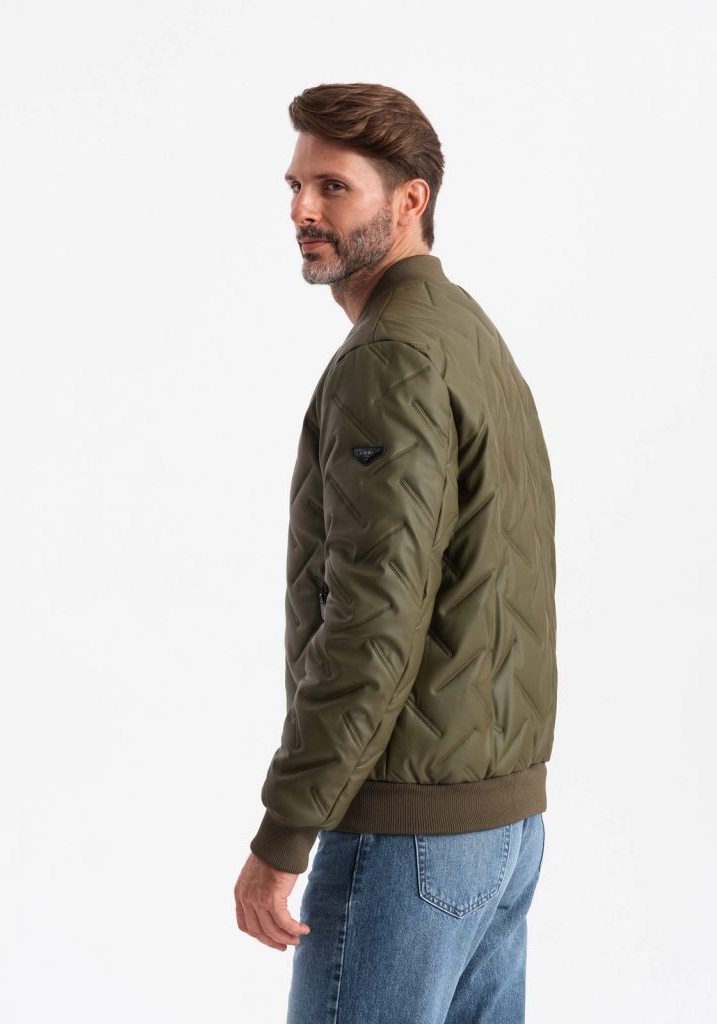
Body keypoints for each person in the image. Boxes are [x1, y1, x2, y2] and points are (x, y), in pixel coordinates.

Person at [233, 82, 558, 1024]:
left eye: (333, 187)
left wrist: (283, 836)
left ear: (410, 200)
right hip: (501, 826)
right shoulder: (465, 333)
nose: (303, 209)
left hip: (410, 834)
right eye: (295, 186)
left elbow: (372, 622)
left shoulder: (391, 358)